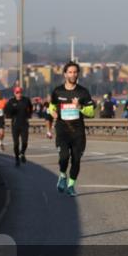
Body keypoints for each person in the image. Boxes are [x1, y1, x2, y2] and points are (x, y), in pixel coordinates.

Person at [48, 61, 95, 196]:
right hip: (62, 130)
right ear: (65, 74)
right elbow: (51, 107)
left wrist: (79, 106)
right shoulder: (57, 91)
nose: (73, 74)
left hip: (78, 131)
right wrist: (53, 112)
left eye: (75, 72)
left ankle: (71, 186)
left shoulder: (83, 92)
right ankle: (63, 175)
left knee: (76, 159)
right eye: (70, 72)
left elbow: (91, 113)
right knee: (64, 157)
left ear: (78, 74)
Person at [4, 86, 34, 167]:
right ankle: (17, 159)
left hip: (24, 124)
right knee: (16, 144)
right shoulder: (11, 101)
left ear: (21, 92)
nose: (18, 94)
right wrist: (10, 113)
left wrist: (29, 115)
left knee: (25, 142)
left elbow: (31, 108)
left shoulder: (26, 100)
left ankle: (22, 153)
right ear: (14, 93)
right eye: (17, 93)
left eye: (20, 92)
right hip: (15, 125)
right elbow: (6, 111)